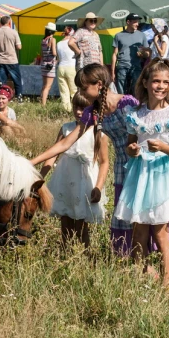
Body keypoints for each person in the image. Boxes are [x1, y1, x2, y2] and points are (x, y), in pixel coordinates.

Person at [31, 64, 169, 255]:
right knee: (127, 218)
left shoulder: (127, 103)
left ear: (99, 85)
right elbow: (65, 143)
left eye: (83, 88)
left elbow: (151, 122)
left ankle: (152, 264)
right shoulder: (94, 111)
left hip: (143, 165)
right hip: (122, 167)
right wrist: (32, 162)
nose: (80, 92)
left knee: (146, 216)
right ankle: (136, 264)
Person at [114, 58, 169, 287]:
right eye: (156, 81)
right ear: (146, 82)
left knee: (160, 231)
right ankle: (140, 277)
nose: (160, 86)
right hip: (140, 176)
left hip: (162, 177)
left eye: (165, 82)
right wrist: (132, 150)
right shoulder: (136, 114)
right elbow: (131, 146)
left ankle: (167, 285)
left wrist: (162, 147)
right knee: (139, 228)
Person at [40, 92, 109, 249]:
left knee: (82, 224)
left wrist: (98, 187)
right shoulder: (66, 128)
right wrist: (40, 177)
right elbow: (54, 154)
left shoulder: (99, 132)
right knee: (65, 221)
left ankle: (84, 255)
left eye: (83, 108)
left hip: (84, 183)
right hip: (65, 179)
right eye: (76, 107)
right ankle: (66, 252)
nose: (78, 112)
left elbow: (104, 162)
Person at [111, 13, 147, 94]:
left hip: (136, 67)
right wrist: (112, 72)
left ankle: (135, 105)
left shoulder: (142, 35)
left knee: (136, 90)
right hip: (122, 67)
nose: (137, 24)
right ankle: (122, 106)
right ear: (128, 22)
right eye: (135, 22)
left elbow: (147, 53)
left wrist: (143, 54)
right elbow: (114, 54)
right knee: (121, 92)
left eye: (138, 22)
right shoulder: (118, 35)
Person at [0, 16, 23, 102]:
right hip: (12, 60)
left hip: (0, 60)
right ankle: (19, 97)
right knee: (16, 80)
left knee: (2, 81)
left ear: (0, 23)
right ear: (9, 23)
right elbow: (19, 47)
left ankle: (2, 97)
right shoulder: (14, 32)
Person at [56, 26, 78, 111]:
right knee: (74, 90)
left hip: (61, 68)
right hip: (71, 67)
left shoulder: (58, 43)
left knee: (64, 92)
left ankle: (66, 110)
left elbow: (58, 58)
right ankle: (75, 109)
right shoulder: (72, 42)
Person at [40, 23, 58, 106]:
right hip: (51, 65)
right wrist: (57, 56)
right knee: (48, 86)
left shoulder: (43, 40)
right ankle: (44, 104)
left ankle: (41, 101)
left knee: (44, 85)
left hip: (44, 64)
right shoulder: (52, 40)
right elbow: (54, 53)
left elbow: (42, 54)